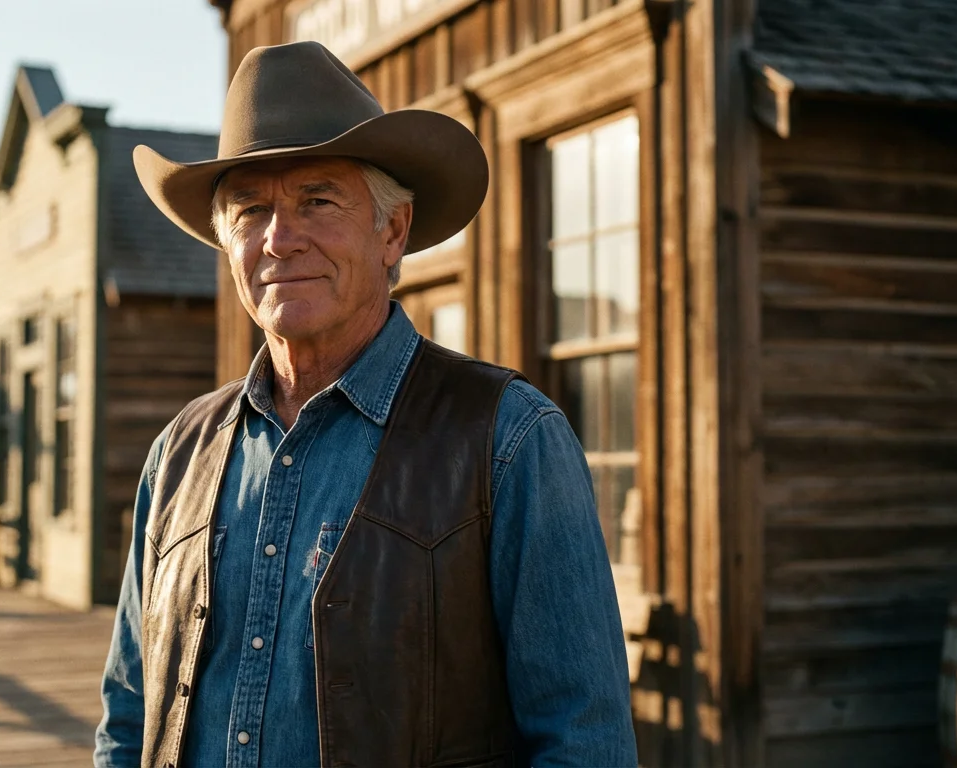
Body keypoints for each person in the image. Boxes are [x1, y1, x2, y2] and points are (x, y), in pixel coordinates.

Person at [95, 40, 638, 768]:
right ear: (226, 245)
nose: (280, 239)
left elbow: (584, 744)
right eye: (251, 211)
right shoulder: (179, 454)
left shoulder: (509, 438)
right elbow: (129, 720)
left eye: (317, 200)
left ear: (393, 231)